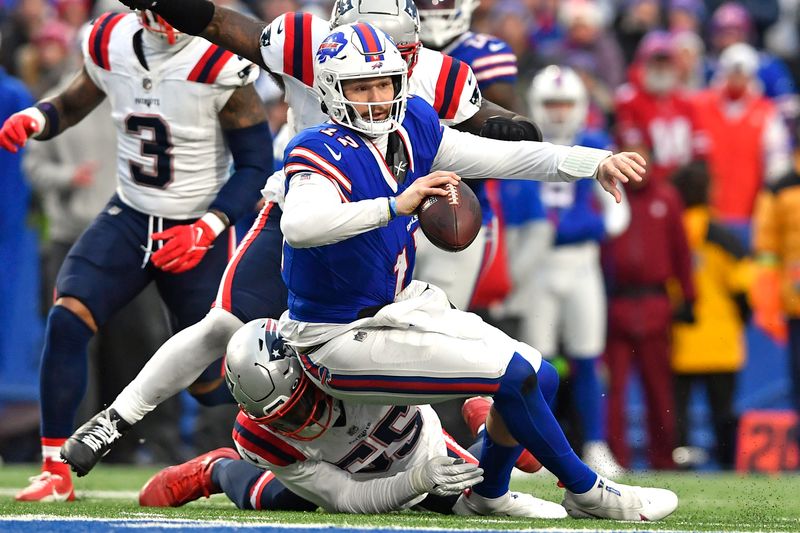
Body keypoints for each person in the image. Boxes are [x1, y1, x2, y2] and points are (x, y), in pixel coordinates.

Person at [61, 0, 543, 477]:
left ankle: (484, 425)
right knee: (224, 324)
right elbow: (217, 23)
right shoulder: (302, 44)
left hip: (382, 225)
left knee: (408, 339)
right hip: (302, 211)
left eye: (396, 51)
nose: (378, 60)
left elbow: (504, 127)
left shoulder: (441, 74)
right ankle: (116, 419)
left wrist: (516, 128)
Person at [272, 23, 674, 520]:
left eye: (384, 83)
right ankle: (588, 490)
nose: (376, 97)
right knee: (515, 375)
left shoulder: (412, 126)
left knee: (542, 376)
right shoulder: (319, 148)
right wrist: (395, 206)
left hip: (397, 307)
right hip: (333, 336)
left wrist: (592, 162)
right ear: (334, 91)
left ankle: (487, 491)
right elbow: (300, 225)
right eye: (360, 86)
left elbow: (503, 156)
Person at [0, 10, 271, 501]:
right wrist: (37, 118)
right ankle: (55, 469)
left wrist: (208, 226)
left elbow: (256, 164)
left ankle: (278, 451)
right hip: (129, 214)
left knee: (214, 379)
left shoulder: (218, 57)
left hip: (196, 227)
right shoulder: (109, 40)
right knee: (67, 318)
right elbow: (74, 101)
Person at [139, 319, 566, 517]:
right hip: (342, 474)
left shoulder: (346, 354)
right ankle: (215, 471)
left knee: (484, 488)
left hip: (417, 444)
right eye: (284, 419)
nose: (303, 423)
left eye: (302, 405)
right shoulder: (262, 435)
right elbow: (344, 499)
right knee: (272, 499)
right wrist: (415, 483)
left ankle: (484, 415)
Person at [503, 65, 629, 478]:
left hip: (580, 263)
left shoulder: (594, 144)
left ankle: (594, 444)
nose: (558, 113)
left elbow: (617, 216)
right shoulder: (525, 143)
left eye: (566, 104)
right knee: (538, 361)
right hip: (536, 266)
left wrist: (568, 227)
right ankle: (538, 448)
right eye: (552, 104)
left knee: (588, 355)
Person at [414, 0, 521, 310]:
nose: (433, 6)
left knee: (441, 324)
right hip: (393, 203)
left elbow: (503, 128)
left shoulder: (484, 52)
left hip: (458, 204)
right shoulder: (383, 46)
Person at [671, 162, 752, 469]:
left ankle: (678, 462)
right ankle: (727, 462)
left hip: (680, 334)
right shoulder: (723, 236)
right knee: (723, 410)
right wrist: (741, 319)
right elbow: (743, 286)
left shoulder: (671, 228)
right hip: (720, 336)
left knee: (677, 411)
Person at [694, 42, 791, 248]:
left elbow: (777, 164)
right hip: (706, 213)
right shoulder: (700, 105)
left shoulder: (766, 112)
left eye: (742, 73)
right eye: (732, 72)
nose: (737, 78)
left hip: (748, 212)